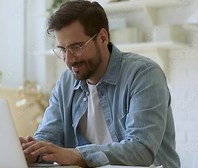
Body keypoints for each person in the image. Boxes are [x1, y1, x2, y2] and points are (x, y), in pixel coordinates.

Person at [20, 1, 180, 168]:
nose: (69, 59)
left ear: (103, 38)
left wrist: (77, 155)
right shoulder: (66, 82)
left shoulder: (143, 74)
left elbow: (141, 150)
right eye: (63, 49)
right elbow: (48, 137)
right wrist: (29, 152)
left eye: (76, 47)